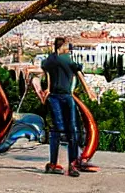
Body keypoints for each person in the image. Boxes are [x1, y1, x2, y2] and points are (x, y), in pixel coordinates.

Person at [38, 37, 91, 178]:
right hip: (66, 96)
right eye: (67, 46)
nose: (69, 48)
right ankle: (72, 165)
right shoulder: (67, 59)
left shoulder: (49, 60)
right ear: (63, 47)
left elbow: (47, 73)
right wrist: (88, 91)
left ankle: (53, 163)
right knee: (72, 130)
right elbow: (79, 73)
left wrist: (48, 88)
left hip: (54, 96)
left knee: (56, 129)